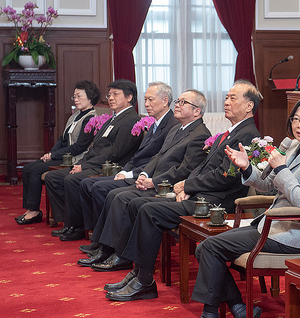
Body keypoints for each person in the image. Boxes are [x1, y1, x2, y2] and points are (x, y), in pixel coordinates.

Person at [172, 94, 300, 318]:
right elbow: (267, 184)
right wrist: (247, 168)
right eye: (296, 119)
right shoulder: (294, 147)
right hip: (271, 226)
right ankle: (239, 311)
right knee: (206, 247)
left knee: (210, 248)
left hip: (292, 234)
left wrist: (282, 168)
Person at [96, 80, 262, 298]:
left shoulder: (247, 134)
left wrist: (188, 185)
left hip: (216, 204)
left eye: (233, 98)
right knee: (137, 203)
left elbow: (226, 177)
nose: (226, 101)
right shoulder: (232, 131)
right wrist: (186, 187)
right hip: (201, 195)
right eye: (226, 97)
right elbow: (201, 167)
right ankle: (137, 273)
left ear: (249, 106)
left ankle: (144, 280)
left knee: (147, 209)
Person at [77, 89, 210, 268]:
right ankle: (106, 250)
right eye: (177, 101)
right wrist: (144, 174)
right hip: (154, 181)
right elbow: (157, 157)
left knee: (122, 198)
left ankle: (120, 256)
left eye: (183, 103)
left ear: (197, 111)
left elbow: (184, 170)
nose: (177, 105)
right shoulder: (176, 129)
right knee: (114, 195)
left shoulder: (200, 134)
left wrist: (153, 181)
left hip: (167, 187)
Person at [77, 81, 179, 240]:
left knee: (102, 189)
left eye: (151, 100)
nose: (146, 104)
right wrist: (125, 171)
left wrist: (133, 173)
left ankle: (107, 241)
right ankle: (97, 236)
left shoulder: (172, 125)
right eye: (145, 100)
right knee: (90, 184)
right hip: (136, 171)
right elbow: (138, 155)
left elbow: (160, 160)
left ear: (165, 101)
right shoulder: (154, 123)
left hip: (149, 177)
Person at [45, 79, 144, 241]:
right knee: (53, 177)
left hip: (109, 167)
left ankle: (78, 226)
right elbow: (95, 147)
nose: (110, 98)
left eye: (115, 94)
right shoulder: (113, 118)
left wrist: (84, 166)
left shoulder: (130, 120)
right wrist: (81, 163)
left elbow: (114, 153)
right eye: (109, 94)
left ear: (129, 97)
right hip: (95, 162)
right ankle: (70, 222)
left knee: (72, 180)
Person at [16, 80, 100, 225]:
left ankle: (34, 211)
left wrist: (54, 155)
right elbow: (63, 139)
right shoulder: (75, 116)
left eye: (79, 96)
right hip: (62, 155)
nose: (76, 99)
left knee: (35, 170)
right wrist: (51, 153)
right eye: (74, 96)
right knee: (28, 168)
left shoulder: (91, 119)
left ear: (90, 98)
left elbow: (79, 147)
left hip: (74, 158)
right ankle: (31, 209)